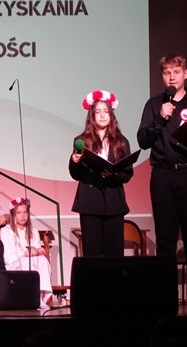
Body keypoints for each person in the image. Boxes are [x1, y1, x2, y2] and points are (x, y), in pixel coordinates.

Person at [137, 52, 187, 306]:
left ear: (186, 74)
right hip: (163, 175)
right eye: (167, 73)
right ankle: (165, 298)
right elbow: (143, 140)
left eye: (176, 72)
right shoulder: (154, 105)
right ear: (162, 77)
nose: (172, 77)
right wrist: (161, 117)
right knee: (166, 241)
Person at [69, 89, 134, 257]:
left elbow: (127, 174)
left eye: (106, 111)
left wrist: (113, 174)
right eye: (98, 112)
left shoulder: (121, 141)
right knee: (92, 255)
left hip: (113, 201)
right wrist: (74, 161)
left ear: (111, 115)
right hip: (90, 202)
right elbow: (75, 174)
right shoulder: (81, 140)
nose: (102, 115)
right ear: (92, 115)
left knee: (114, 255)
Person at [0, 197, 53, 309]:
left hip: (30, 261)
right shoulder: (6, 231)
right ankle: (29, 296)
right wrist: (26, 252)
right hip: (14, 264)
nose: (23, 216)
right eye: (19, 213)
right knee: (28, 262)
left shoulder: (33, 231)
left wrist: (39, 251)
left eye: (25, 212)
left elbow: (35, 248)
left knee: (42, 260)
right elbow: (8, 258)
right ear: (13, 215)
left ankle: (39, 297)